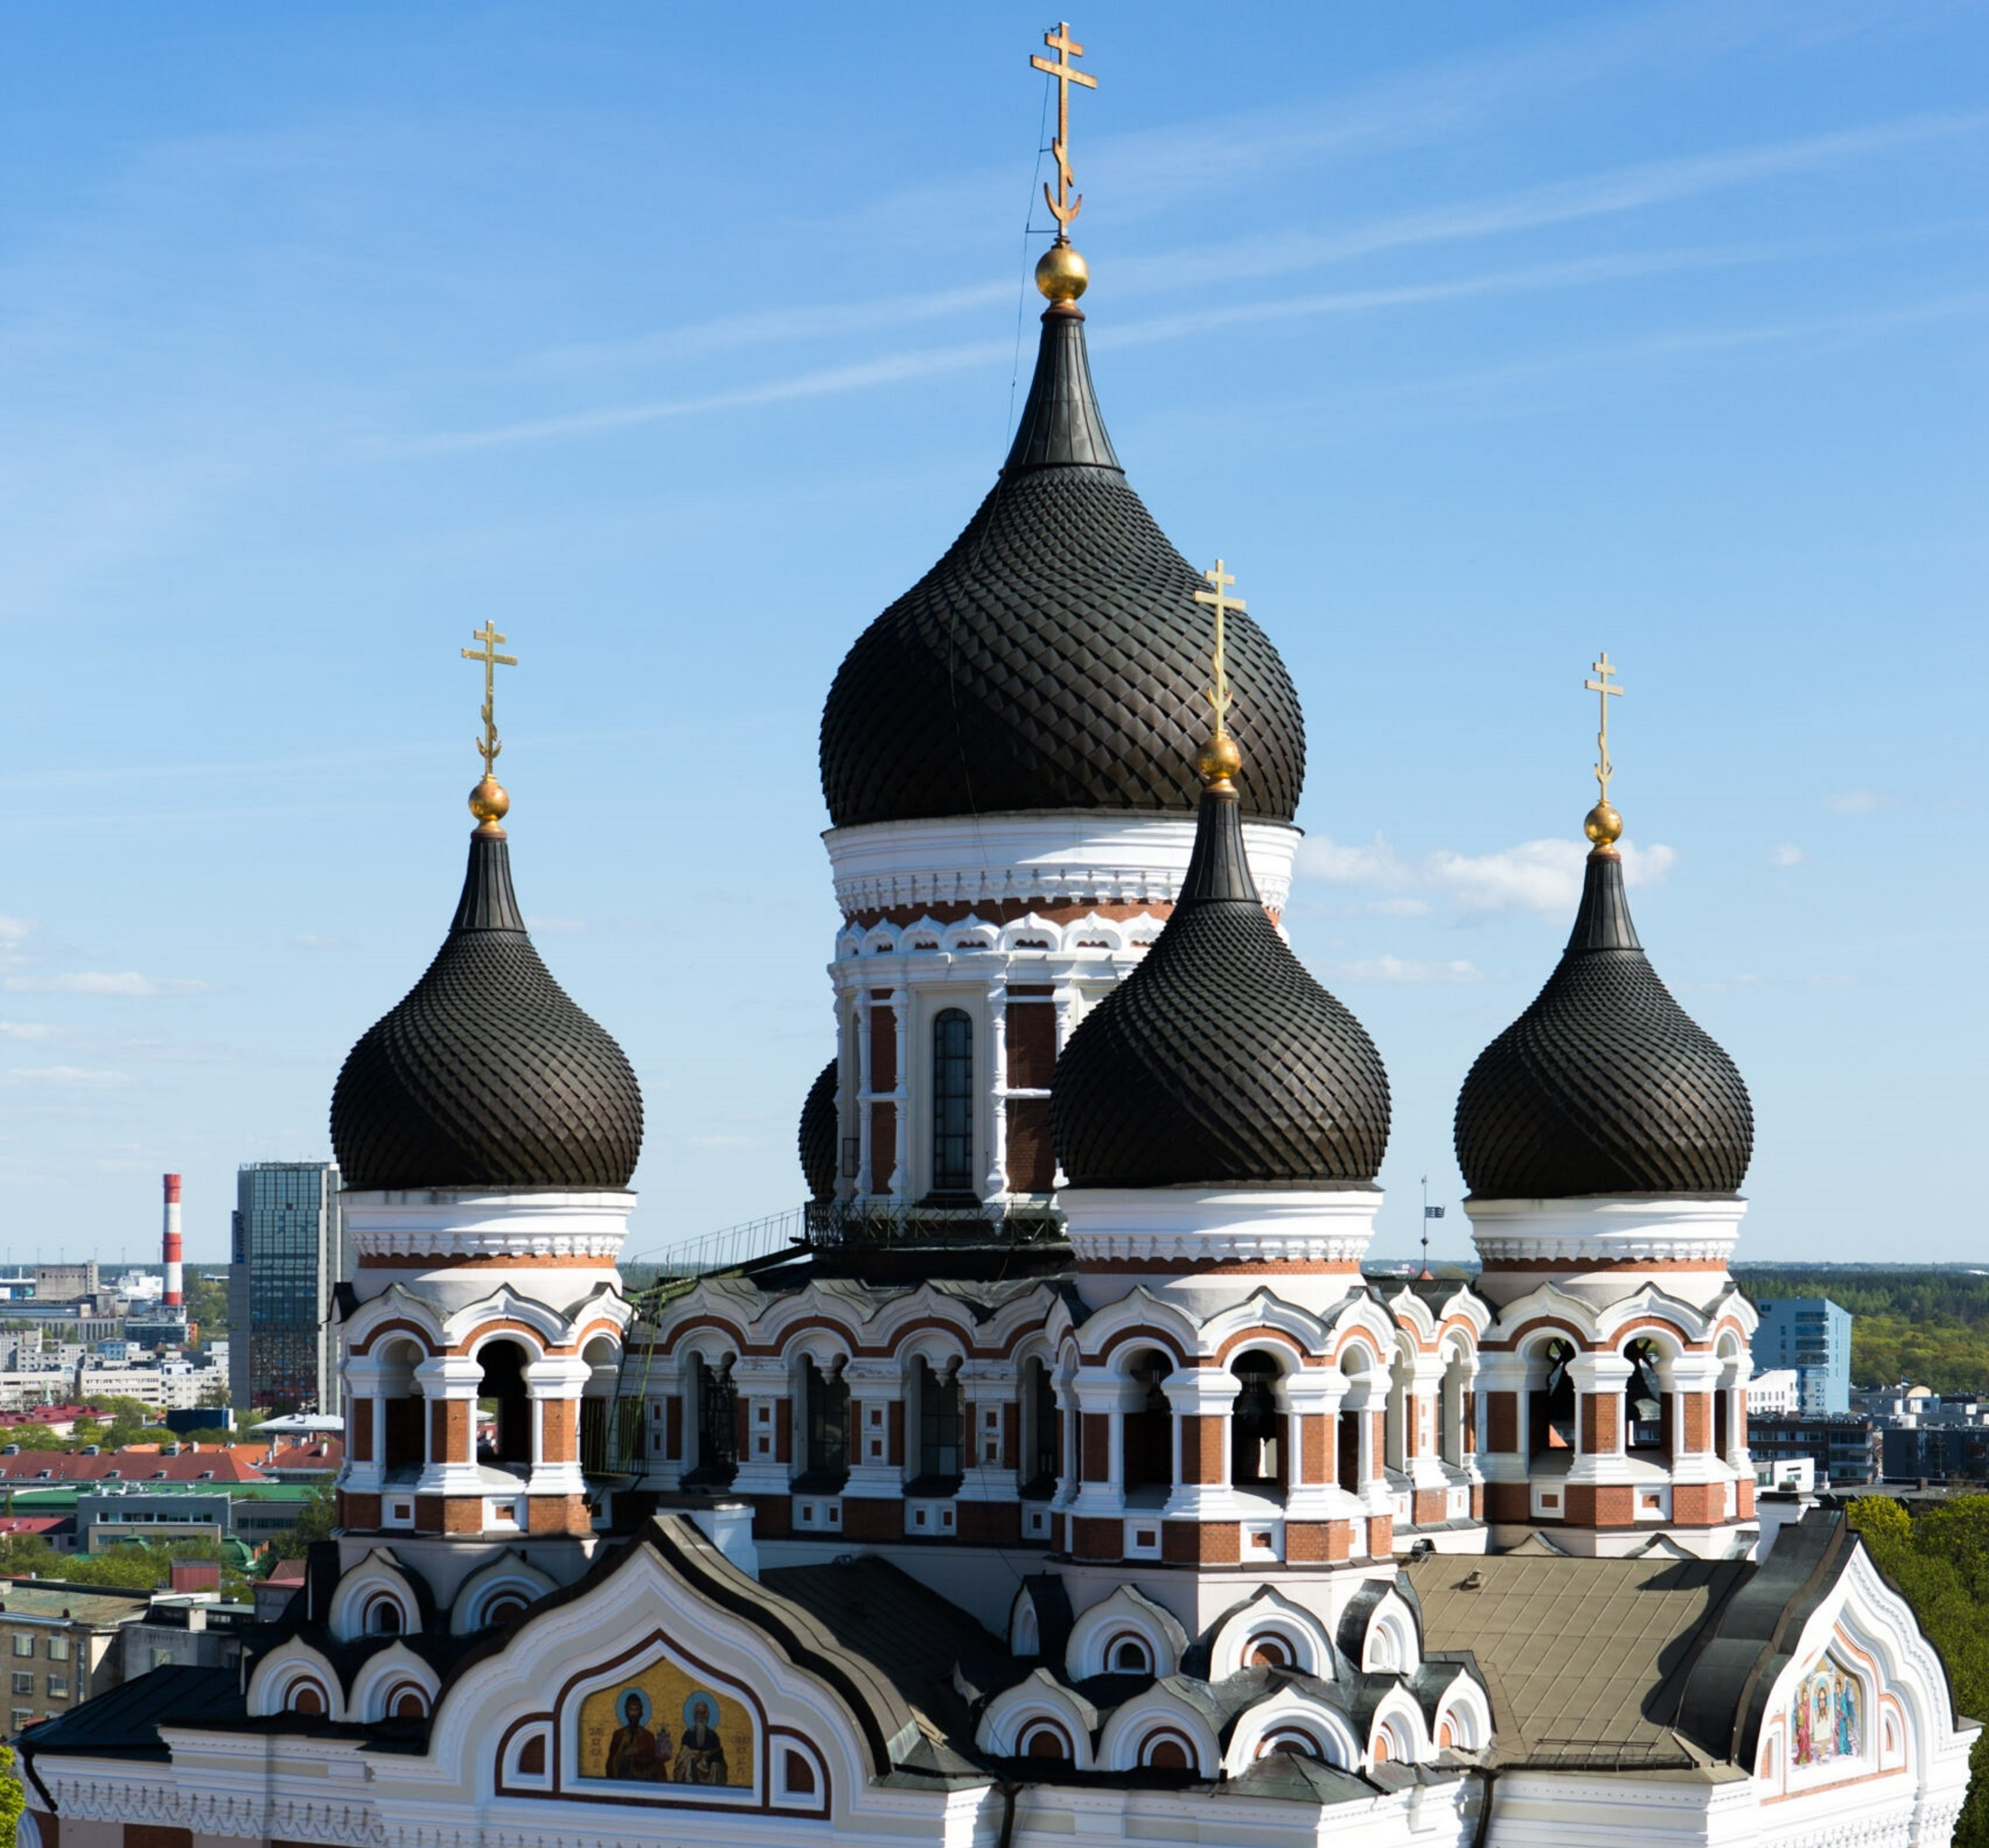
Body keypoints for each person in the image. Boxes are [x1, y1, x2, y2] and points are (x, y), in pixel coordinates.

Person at [605, 1690, 669, 1781]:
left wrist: (661, 1760)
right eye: (631, 1710)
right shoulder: (619, 1735)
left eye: (636, 1710)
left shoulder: (648, 1736)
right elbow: (611, 1764)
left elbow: (654, 1762)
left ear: (641, 1712)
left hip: (644, 1782)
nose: (634, 1714)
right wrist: (624, 1755)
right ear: (627, 1712)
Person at [671, 1698, 728, 1785]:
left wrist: (705, 1757)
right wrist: (694, 1756)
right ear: (695, 1715)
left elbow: (719, 1757)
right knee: (688, 1762)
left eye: (703, 1713)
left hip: (709, 1769)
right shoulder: (689, 1734)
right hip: (692, 1765)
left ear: (707, 1715)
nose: (701, 1716)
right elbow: (683, 1754)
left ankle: (713, 1792)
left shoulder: (713, 1736)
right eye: (698, 1713)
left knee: (716, 1766)